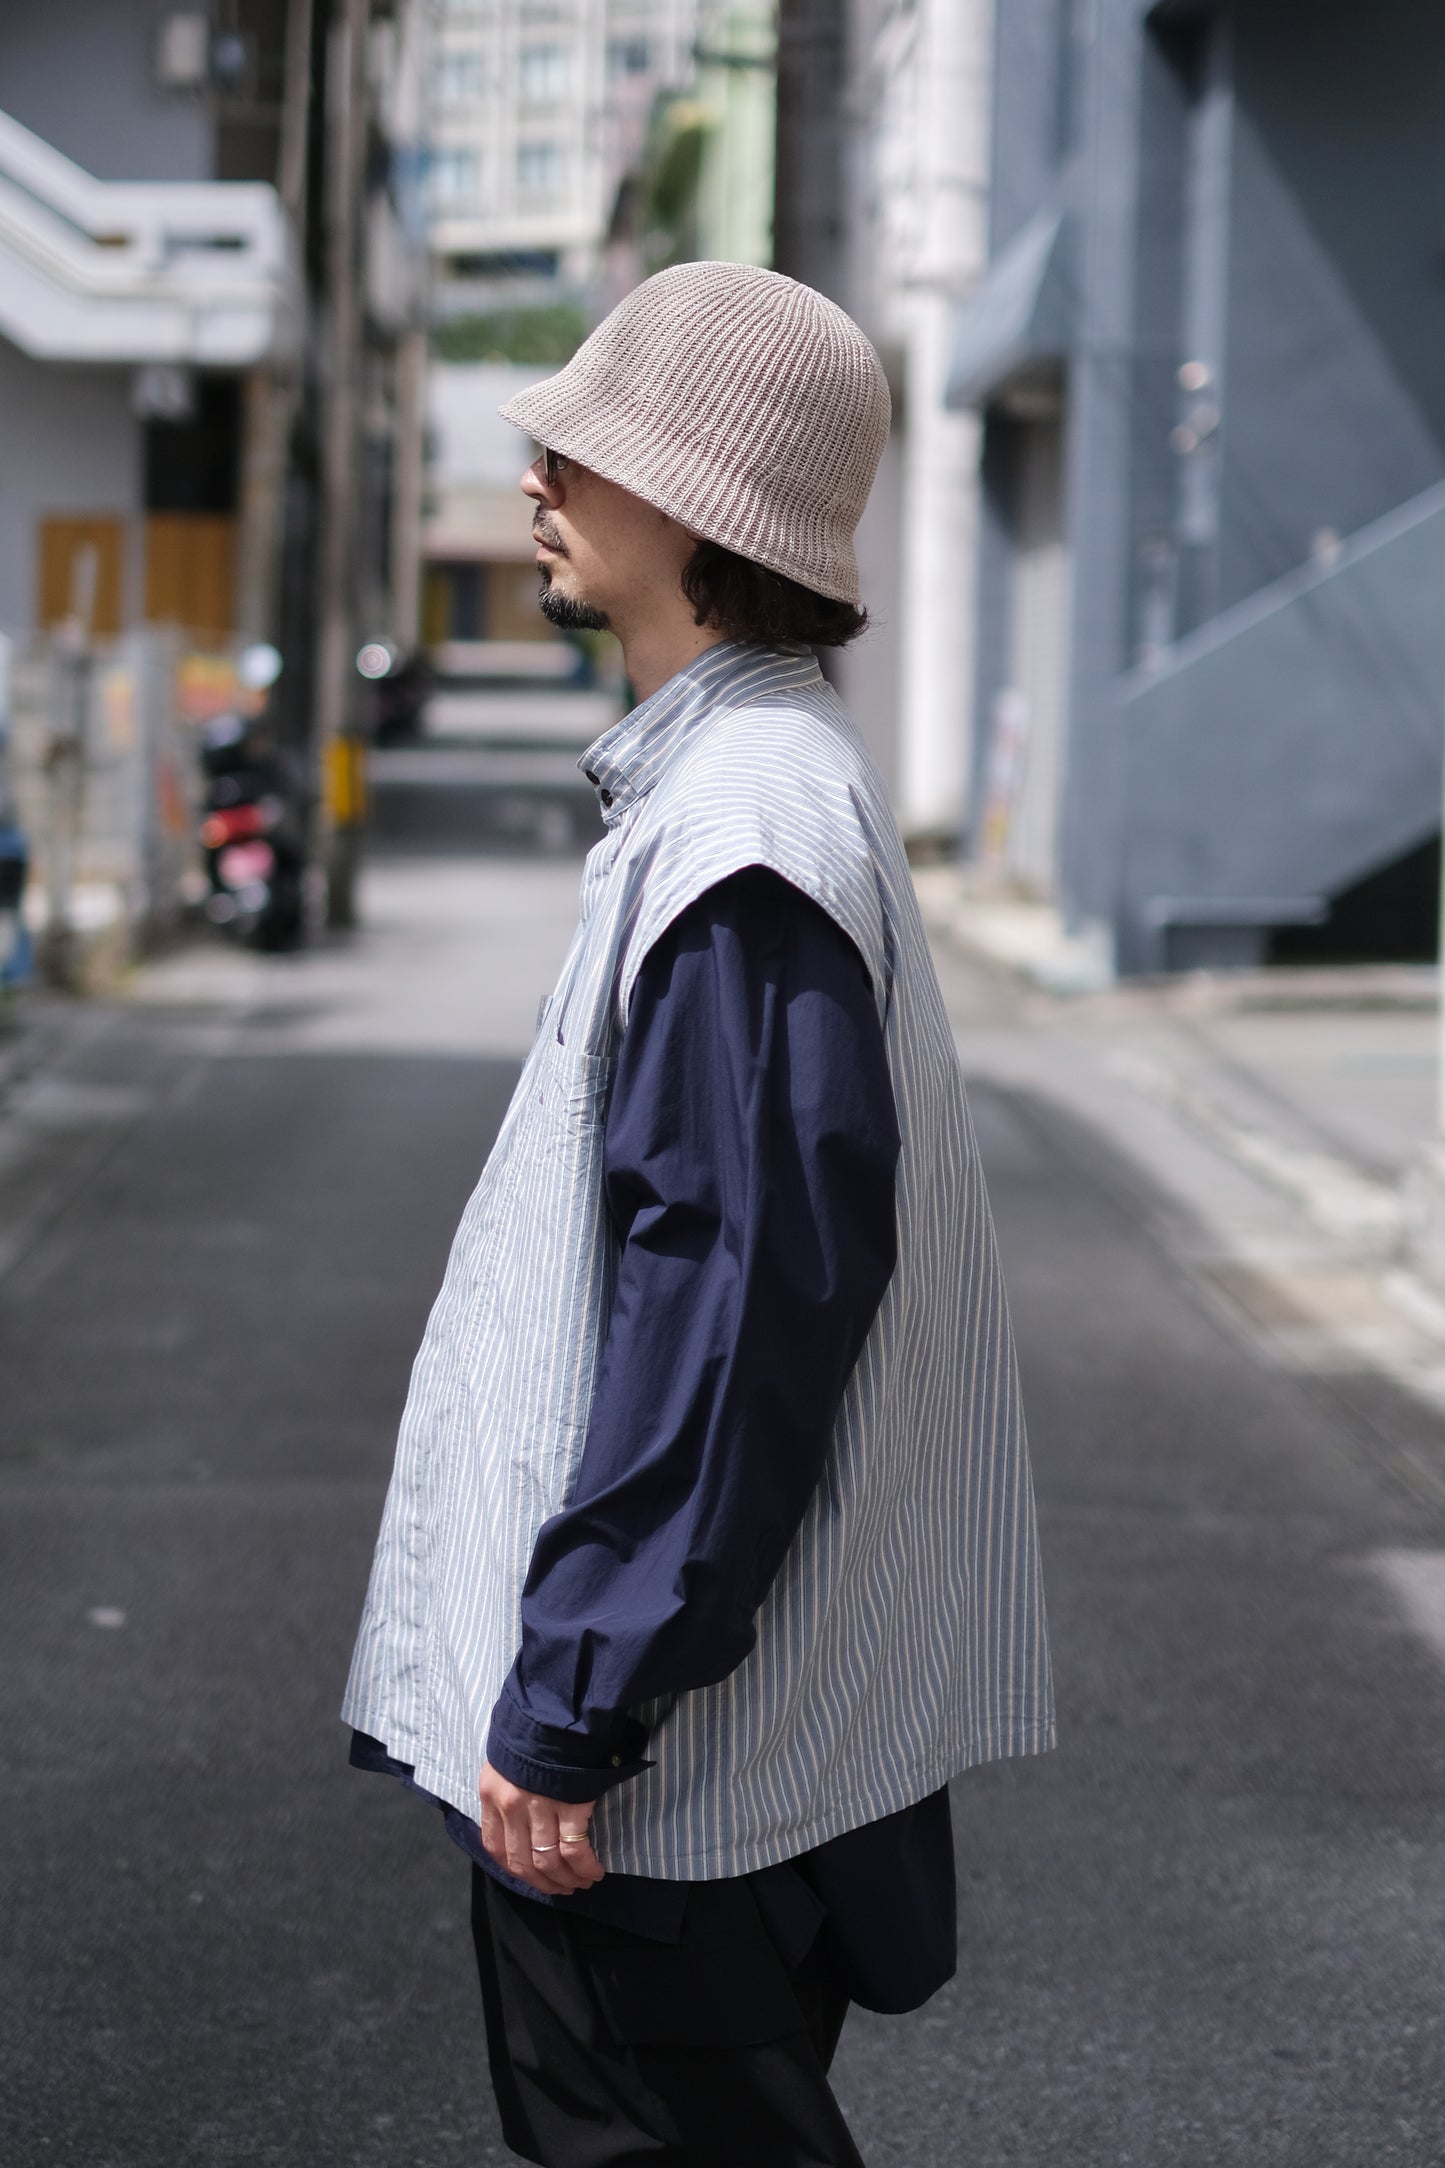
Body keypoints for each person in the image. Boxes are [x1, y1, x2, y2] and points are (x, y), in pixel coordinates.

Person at [343, 260, 1055, 2167]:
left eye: (588, 448)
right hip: (699, 1731)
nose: (538, 474)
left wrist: (573, 1704)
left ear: (702, 504)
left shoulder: (741, 833)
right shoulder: (749, 788)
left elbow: (731, 1316)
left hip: (667, 1777)